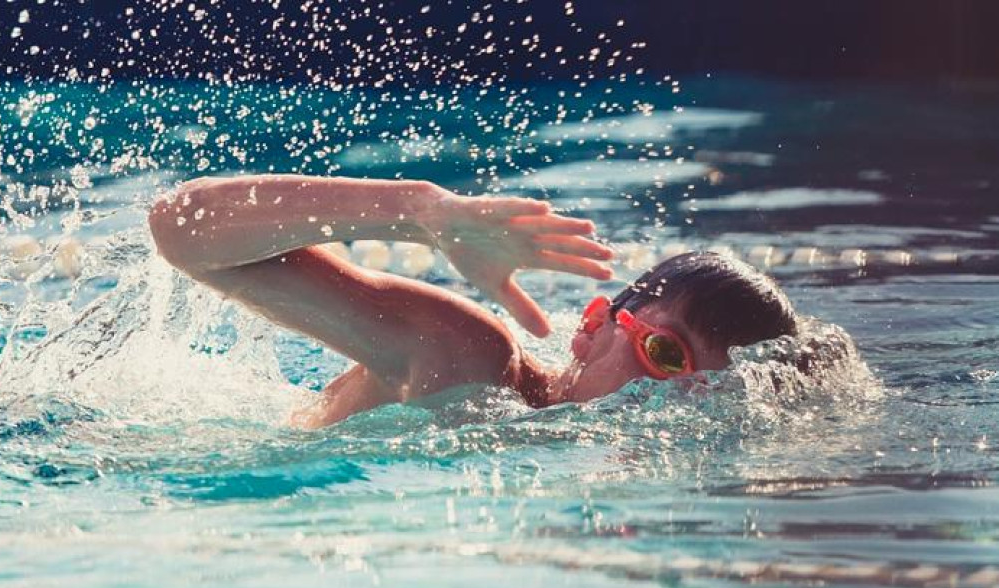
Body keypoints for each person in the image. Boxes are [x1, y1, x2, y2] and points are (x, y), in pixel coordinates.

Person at [149, 174, 798, 427]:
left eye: (704, 396)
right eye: (664, 354)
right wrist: (421, 213)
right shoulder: (470, 359)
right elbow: (180, 228)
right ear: (593, 324)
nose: (664, 405)